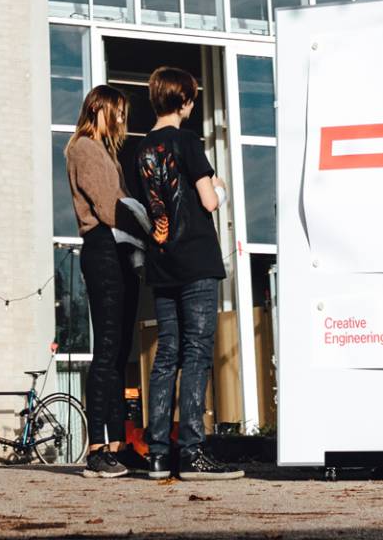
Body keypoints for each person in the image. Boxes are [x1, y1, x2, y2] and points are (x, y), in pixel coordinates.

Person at [137, 63, 225, 480]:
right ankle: (192, 451)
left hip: (162, 263)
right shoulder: (187, 141)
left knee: (166, 355)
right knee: (196, 353)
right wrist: (218, 186)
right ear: (184, 100)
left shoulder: (140, 150)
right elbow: (209, 201)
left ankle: (157, 453)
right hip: (196, 260)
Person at [64, 86, 139, 473]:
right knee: (107, 348)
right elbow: (110, 208)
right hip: (102, 247)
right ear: (99, 109)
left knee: (120, 351)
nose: (122, 119)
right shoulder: (84, 148)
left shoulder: (107, 152)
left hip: (119, 249)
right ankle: (96, 449)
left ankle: (117, 445)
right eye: (118, 111)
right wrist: (151, 227)